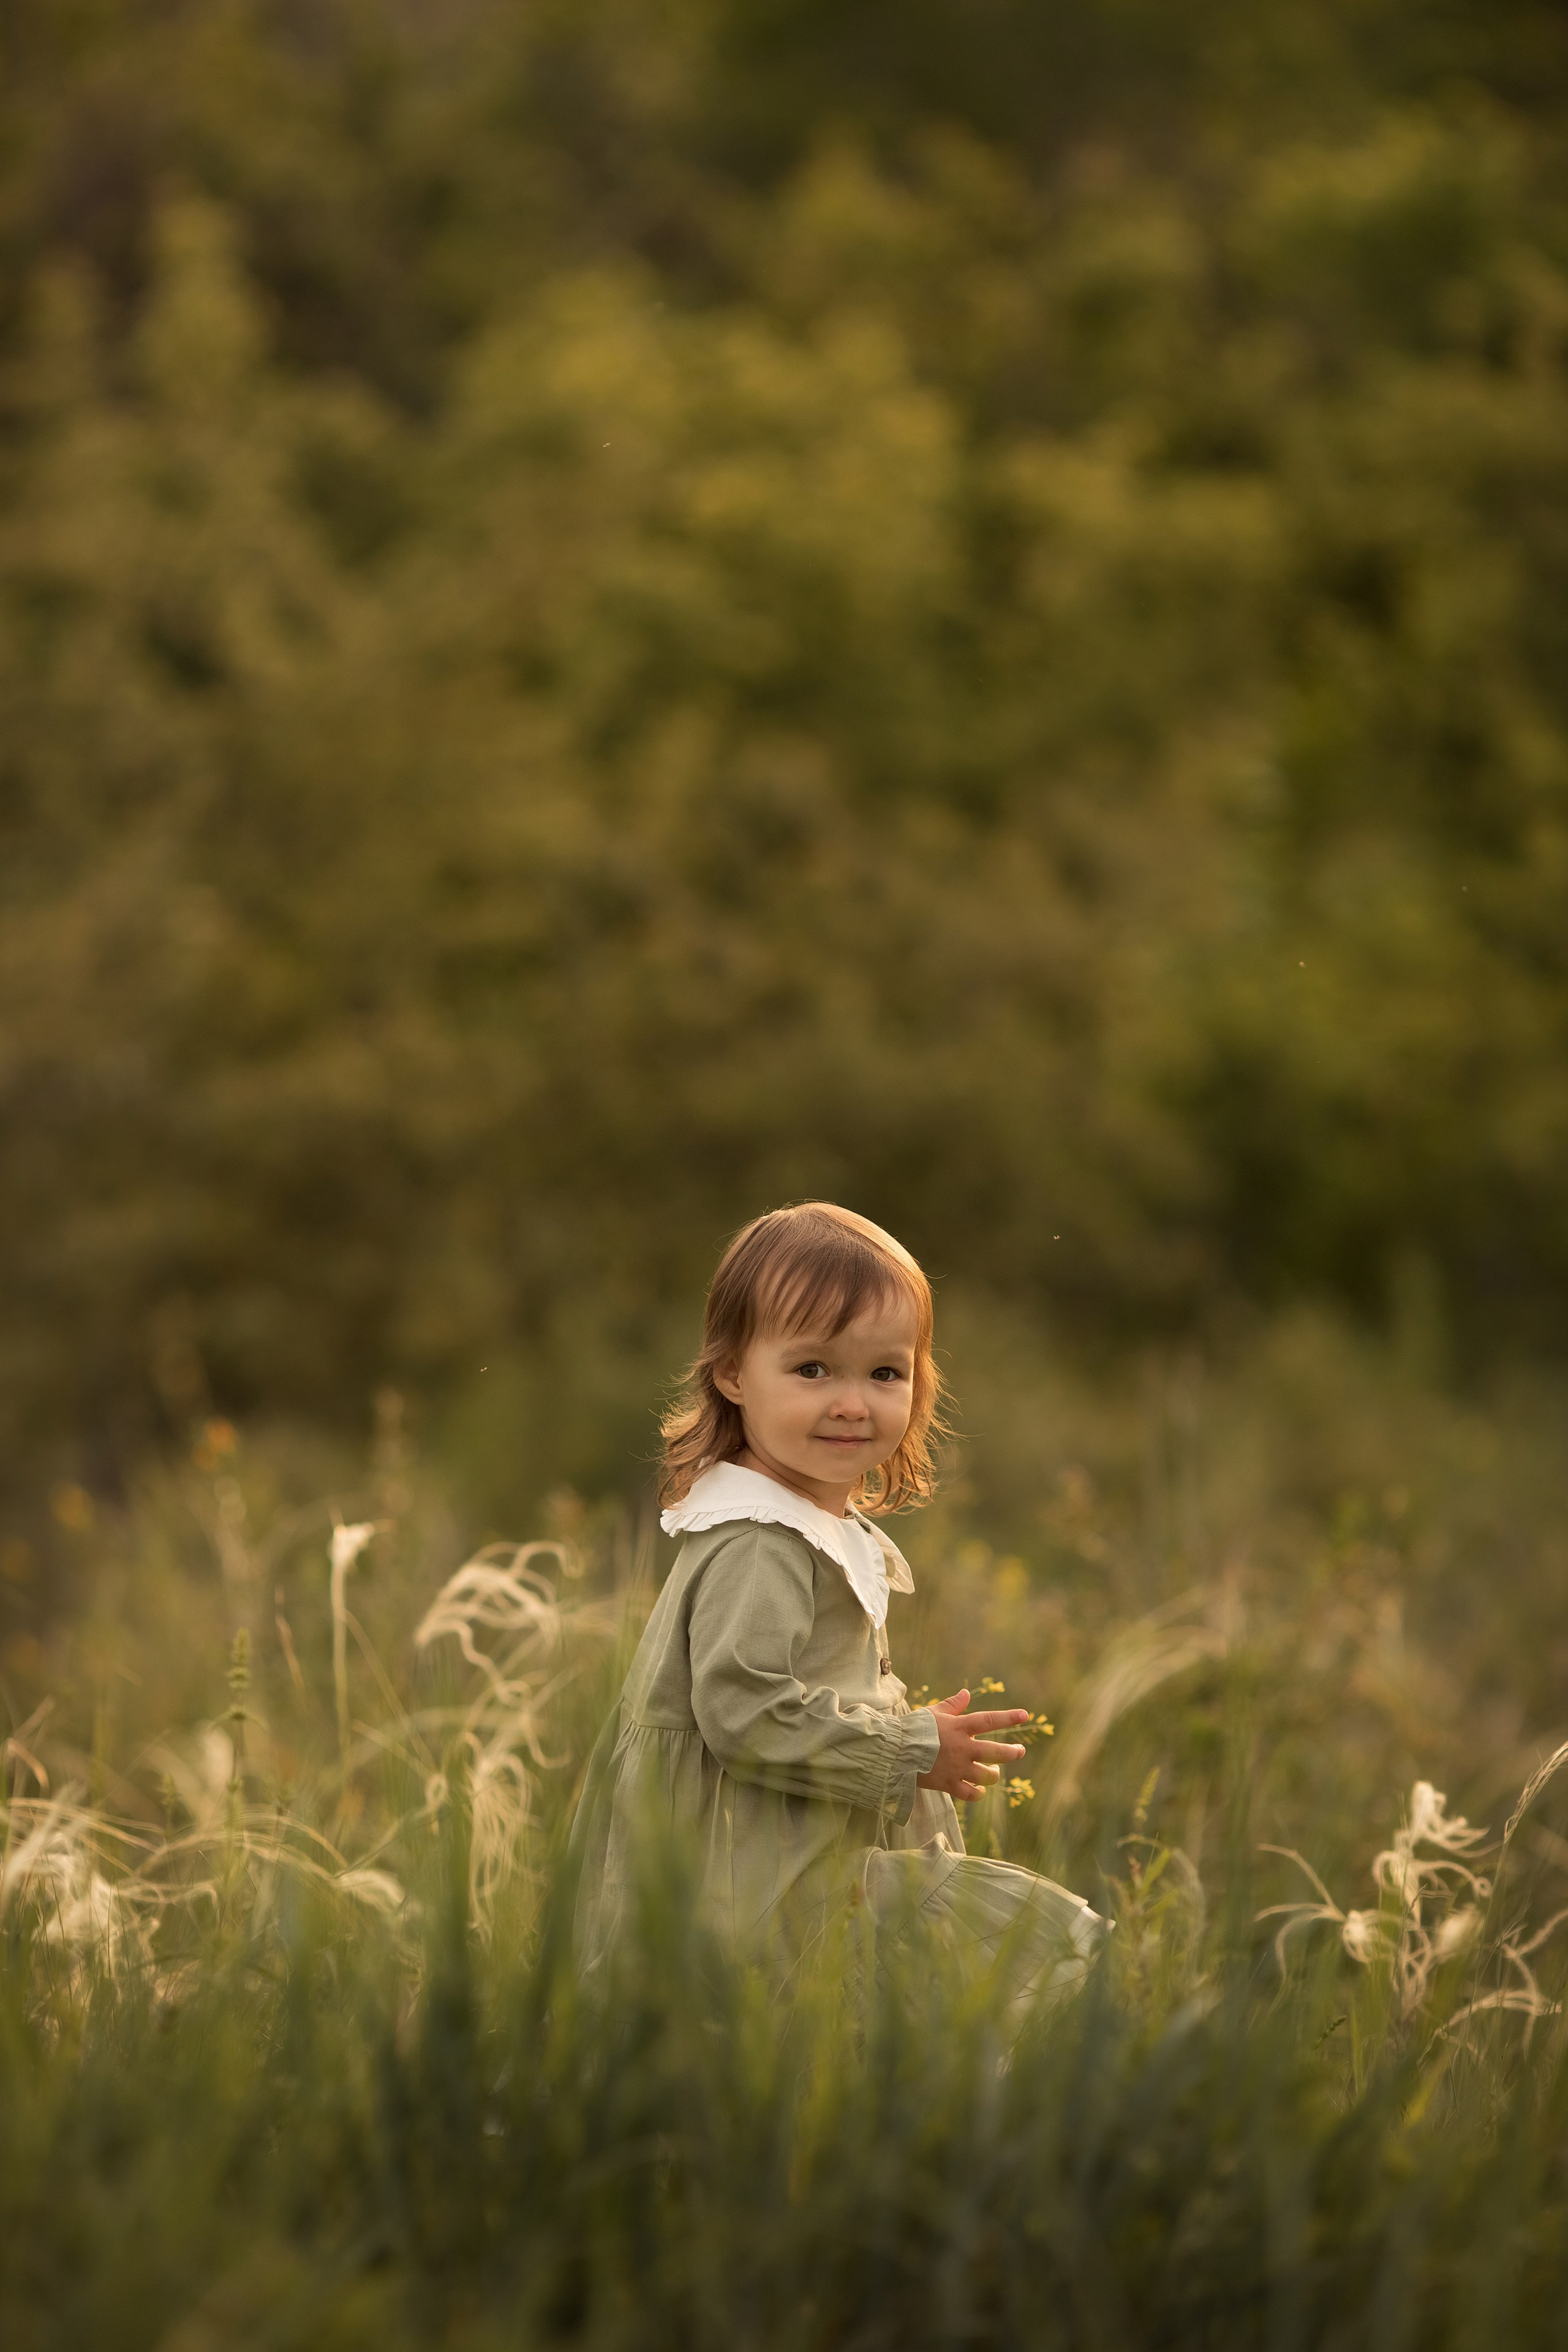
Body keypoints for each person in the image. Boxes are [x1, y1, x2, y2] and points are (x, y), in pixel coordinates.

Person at [569, 1202, 1103, 2010]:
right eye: (813, 1369)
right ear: (733, 1373)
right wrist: (906, 1749)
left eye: (884, 1373)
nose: (853, 1403)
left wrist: (885, 1716)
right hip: (746, 1872)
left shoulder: (804, 1521)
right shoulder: (762, 1541)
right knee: (1005, 1961)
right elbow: (742, 1707)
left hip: (785, 1849)